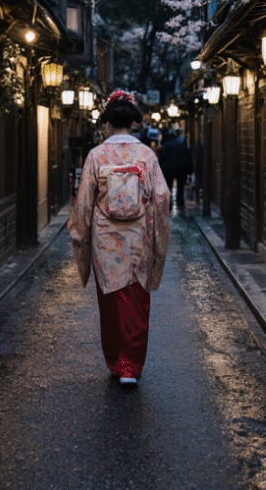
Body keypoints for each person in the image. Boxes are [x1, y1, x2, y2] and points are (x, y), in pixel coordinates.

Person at [68, 90, 171, 386]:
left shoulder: (97, 155)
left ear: (108, 124)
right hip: (138, 237)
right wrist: (155, 229)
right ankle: (130, 367)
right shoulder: (146, 155)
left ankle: (116, 360)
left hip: (106, 240)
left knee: (111, 300)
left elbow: (84, 201)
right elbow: (162, 197)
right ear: (134, 123)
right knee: (137, 301)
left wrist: (79, 230)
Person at [158, 128, 194, 209]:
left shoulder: (166, 145)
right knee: (180, 186)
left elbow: (161, 158)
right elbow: (188, 157)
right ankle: (180, 201)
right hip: (181, 168)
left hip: (168, 168)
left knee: (168, 186)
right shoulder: (182, 144)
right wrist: (190, 170)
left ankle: (169, 201)